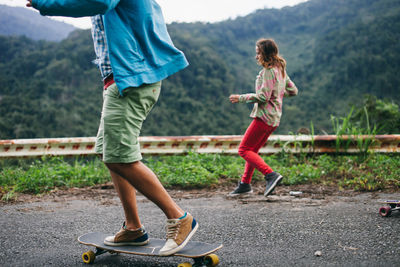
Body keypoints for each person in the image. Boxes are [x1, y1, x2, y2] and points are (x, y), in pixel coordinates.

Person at [27, 0, 198, 256]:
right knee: (110, 153)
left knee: (119, 157)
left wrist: (45, 3)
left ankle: (180, 218)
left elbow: (98, 2)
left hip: (131, 80)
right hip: (121, 79)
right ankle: (133, 228)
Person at [228, 38, 298, 197]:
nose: (256, 56)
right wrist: (278, 94)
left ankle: (270, 175)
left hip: (264, 117)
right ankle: (245, 184)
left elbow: (263, 97)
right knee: (252, 151)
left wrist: (241, 98)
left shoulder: (268, 71)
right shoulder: (280, 69)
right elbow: (293, 91)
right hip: (274, 118)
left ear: (266, 54)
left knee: (244, 149)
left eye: (258, 53)